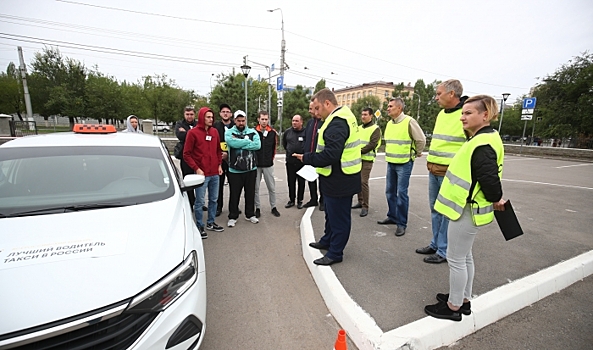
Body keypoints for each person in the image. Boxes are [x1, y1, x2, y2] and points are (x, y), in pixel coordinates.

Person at [424, 94, 505, 321]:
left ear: (485, 115)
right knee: (465, 256)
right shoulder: (485, 138)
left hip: (466, 209)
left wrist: (496, 198)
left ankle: (453, 306)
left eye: (468, 113)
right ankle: (464, 299)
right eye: (463, 113)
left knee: (456, 259)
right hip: (469, 208)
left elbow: (491, 182)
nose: (462, 117)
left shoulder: (481, 143)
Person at [294, 88, 361, 266]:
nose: (315, 113)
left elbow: (331, 155)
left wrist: (306, 158)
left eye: (317, 108)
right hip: (335, 177)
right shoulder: (339, 117)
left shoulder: (337, 122)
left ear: (327, 103)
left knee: (339, 218)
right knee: (331, 215)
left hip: (341, 179)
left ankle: (335, 252)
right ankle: (327, 240)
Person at [416, 79, 468, 264]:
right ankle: (435, 244)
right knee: (436, 209)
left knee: (446, 212)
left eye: (439, 94)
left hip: (450, 173)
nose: (436, 97)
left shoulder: (464, 114)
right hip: (435, 169)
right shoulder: (441, 114)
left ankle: (444, 250)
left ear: (452, 94)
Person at [377, 97, 426, 237]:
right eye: (388, 106)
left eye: (391, 106)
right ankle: (392, 216)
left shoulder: (409, 121)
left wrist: (416, 153)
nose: (388, 108)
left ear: (399, 108)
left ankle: (401, 223)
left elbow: (421, 139)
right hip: (391, 162)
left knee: (401, 194)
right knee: (389, 191)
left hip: (404, 163)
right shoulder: (389, 124)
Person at [183, 107, 224, 239]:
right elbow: (186, 154)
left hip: (214, 173)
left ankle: (211, 222)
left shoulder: (214, 132)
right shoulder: (193, 133)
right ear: (201, 117)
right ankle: (200, 225)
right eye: (208, 117)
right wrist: (197, 168)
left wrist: (219, 165)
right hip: (201, 174)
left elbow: (218, 151)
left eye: (212, 117)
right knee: (200, 202)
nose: (211, 119)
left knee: (214, 199)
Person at [225, 110, 261, 227]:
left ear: (246, 120)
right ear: (235, 121)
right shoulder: (229, 132)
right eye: (239, 121)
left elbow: (257, 145)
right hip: (234, 170)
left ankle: (250, 214)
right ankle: (233, 216)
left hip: (251, 169)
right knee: (234, 194)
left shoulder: (252, 132)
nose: (241, 123)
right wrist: (246, 141)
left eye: (243, 120)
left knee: (250, 193)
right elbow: (231, 143)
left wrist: (239, 142)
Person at [352, 108, 382, 217]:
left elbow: (372, 144)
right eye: (362, 114)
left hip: (367, 159)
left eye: (365, 114)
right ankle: (360, 201)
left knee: (363, 181)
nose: (363, 116)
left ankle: (365, 206)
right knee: (357, 181)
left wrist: (358, 151)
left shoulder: (375, 129)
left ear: (371, 116)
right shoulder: (358, 128)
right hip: (357, 159)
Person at [254, 111, 281, 218]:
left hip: (268, 165)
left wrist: (271, 159)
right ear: (258, 120)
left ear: (268, 120)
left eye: (266, 119)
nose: (264, 121)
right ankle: (257, 208)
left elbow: (274, 148)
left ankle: (273, 207)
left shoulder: (272, 133)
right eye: (262, 119)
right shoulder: (254, 132)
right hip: (256, 165)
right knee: (255, 188)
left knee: (272, 187)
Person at [213, 103, 235, 217]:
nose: (225, 114)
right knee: (219, 185)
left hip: (232, 161)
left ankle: (233, 207)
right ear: (220, 114)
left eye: (227, 112)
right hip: (219, 161)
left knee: (234, 185)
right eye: (223, 112)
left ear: (231, 114)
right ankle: (218, 206)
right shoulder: (215, 126)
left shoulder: (236, 126)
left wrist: (229, 154)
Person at [302, 101, 324, 211]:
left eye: (311, 109)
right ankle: (313, 199)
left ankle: (323, 201)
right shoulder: (310, 123)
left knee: (322, 180)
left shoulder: (324, 122)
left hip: (320, 157)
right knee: (310, 179)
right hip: (309, 156)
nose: (309, 111)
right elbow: (306, 138)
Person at [175, 106, 198, 209]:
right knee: (188, 181)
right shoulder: (179, 124)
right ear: (184, 114)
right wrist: (194, 134)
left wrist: (187, 132)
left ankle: (199, 203)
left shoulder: (198, 124)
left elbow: (200, 137)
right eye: (187, 114)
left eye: (191, 114)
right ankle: (190, 202)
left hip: (198, 156)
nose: (189, 116)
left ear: (195, 115)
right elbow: (180, 136)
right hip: (186, 156)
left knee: (199, 180)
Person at [283, 114, 307, 209]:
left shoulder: (306, 132)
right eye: (293, 121)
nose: (294, 123)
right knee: (291, 181)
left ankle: (300, 201)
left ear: (301, 122)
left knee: (301, 182)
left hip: (302, 162)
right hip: (290, 162)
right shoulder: (288, 132)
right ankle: (291, 200)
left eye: (296, 121)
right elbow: (285, 144)